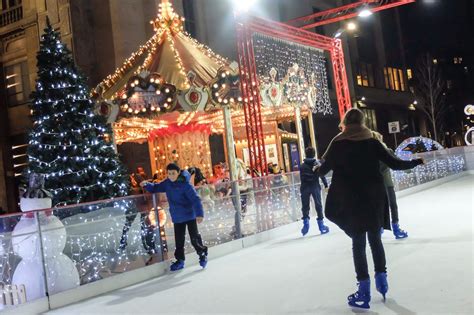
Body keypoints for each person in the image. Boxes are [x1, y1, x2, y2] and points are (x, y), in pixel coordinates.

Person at [316, 108, 423, 309]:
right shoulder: (373, 142)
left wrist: (315, 170)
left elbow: (323, 168)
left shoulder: (338, 144)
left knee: (358, 243)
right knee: (375, 240)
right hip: (374, 198)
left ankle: (364, 290)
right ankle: (382, 281)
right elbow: (395, 163)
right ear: (363, 122)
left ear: (345, 123)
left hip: (351, 200)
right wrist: (416, 161)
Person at [143, 163, 208, 271]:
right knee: (179, 241)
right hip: (177, 217)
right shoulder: (167, 183)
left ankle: (202, 254)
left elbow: (196, 199)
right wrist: (146, 185)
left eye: (173, 173)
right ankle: (180, 260)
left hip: (189, 215)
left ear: (178, 173)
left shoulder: (185, 185)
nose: (171, 176)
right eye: (169, 174)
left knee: (194, 238)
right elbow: (156, 187)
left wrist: (199, 214)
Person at [372, 131, 408, 239]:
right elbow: (397, 163)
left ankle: (379, 228)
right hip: (387, 183)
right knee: (392, 205)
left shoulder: (369, 153)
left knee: (378, 207)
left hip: (374, 185)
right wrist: (410, 168)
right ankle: (396, 228)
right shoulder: (387, 151)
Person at [119, 167, 156, 264]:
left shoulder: (139, 188)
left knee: (145, 229)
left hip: (142, 208)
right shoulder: (139, 189)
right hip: (141, 208)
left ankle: (150, 250)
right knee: (144, 229)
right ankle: (150, 250)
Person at [299, 147, 329, 236]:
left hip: (304, 187)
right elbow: (322, 175)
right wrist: (326, 185)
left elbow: (302, 177)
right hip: (314, 186)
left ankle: (306, 224)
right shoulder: (317, 164)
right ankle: (321, 225)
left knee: (305, 205)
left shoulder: (302, 166)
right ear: (314, 154)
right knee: (318, 205)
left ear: (306, 154)